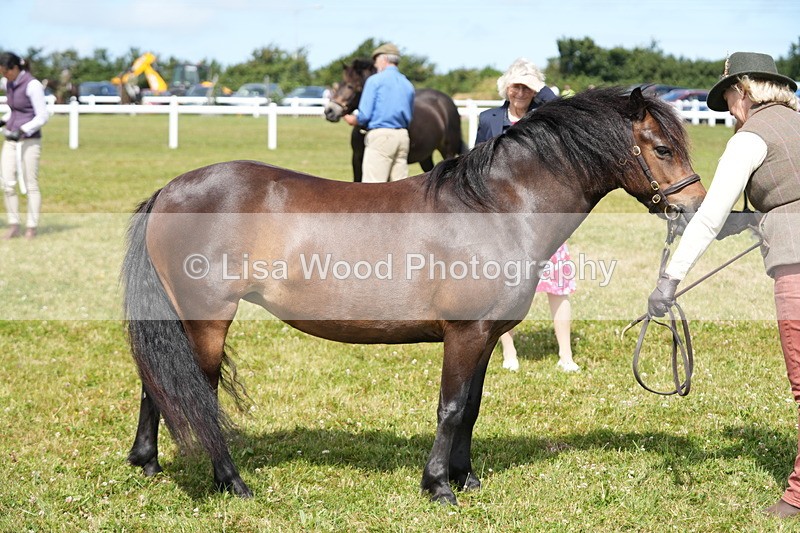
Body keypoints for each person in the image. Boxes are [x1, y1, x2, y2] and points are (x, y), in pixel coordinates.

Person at [647, 52, 800, 518]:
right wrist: (749, 223)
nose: (730, 107)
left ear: (746, 90)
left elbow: (711, 215)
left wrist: (669, 280)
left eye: (730, 96)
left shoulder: (749, 138)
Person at [474, 58, 579, 373]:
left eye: (528, 87)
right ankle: (509, 352)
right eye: (515, 85)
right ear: (506, 86)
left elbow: (570, 115)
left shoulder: (545, 118)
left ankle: (566, 355)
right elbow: (476, 162)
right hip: (502, 217)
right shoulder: (489, 119)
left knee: (557, 286)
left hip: (543, 217)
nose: (520, 92)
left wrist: (539, 87)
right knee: (505, 287)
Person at [343, 43, 415, 183]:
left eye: (376, 61)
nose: (376, 66)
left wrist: (352, 120)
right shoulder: (407, 83)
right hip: (402, 137)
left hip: (381, 137)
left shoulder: (375, 81)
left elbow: (364, 116)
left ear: (384, 59)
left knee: (373, 189)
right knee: (400, 190)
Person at [0, 52, 49, 239]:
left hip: (29, 141)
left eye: (5, 72)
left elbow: (42, 115)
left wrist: (22, 130)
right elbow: (15, 111)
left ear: (14, 68)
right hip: (11, 141)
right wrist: (4, 121)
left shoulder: (32, 85)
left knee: (30, 184)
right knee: (7, 183)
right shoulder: (9, 83)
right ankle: (13, 224)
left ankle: (31, 226)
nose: (4, 76)